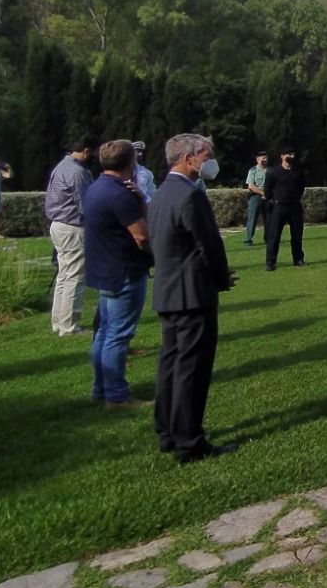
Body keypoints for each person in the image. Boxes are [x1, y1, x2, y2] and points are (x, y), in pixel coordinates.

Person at [150, 133, 236, 463]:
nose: (210, 161)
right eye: (206, 155)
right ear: (188, 158)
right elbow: (209, 245)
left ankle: (168, 431)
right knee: (192, 369)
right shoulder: (191, 195)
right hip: (192, 293)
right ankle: (190, 441)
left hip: (169, 291)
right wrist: (221, 279)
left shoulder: (161, 193)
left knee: (171, 364)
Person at [83, 140, 152, 410]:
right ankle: (116, 396)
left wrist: (140, 199)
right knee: (118, 335)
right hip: (124, 270)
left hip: (103, 269)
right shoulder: (119, 194)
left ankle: (101, 389)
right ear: (131, 162)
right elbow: (142, 235)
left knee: (103, 332)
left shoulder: (96, 187)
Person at [44, 136, 96, 336]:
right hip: (73, 225)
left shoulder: (61, 166)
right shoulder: (78, 172)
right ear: (85, 151)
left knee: (64, 275)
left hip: (58, 224)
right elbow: (85, 204)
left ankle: (59, 321)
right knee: (75, 276)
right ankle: (69, 325)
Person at [263, 147, 306, 270]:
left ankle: (298, 259)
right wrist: (273, 200)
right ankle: (271, 262)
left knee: (297, 235)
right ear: (282, 156)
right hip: (279, 206)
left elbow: (301, 187)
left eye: (293, 154)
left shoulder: (298, 171)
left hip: (295, 206)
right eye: (288, 154)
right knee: (274, 235)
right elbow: (267, 191)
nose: (291, 156)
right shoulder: (273, 172)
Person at [243, 151, 269, 246]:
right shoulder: (253, 170)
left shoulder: (270, 170)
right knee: (252, 219)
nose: (264, 160)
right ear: (257, 159)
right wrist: (263, 193)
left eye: (266, 158)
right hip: (255, 196)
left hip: (268, 197)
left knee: (269, 219)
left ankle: (268, 239)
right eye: (262, 158)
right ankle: (248, 240)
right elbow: (251, 186)